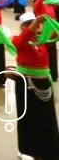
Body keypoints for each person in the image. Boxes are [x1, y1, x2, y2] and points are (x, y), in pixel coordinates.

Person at [10, 12, 59, 160]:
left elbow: (56, 32)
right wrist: (37, 21)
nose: (38, 27)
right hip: (27, 84)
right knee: (28, 118)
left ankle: (48, 149)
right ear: (24, 26)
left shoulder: (43, 41)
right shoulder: (18, 40)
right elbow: (24, 39)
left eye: (39, 25)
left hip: (43, 83)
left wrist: (49, 21)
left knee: (46, 117)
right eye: (32, 24)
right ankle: (26, 150)